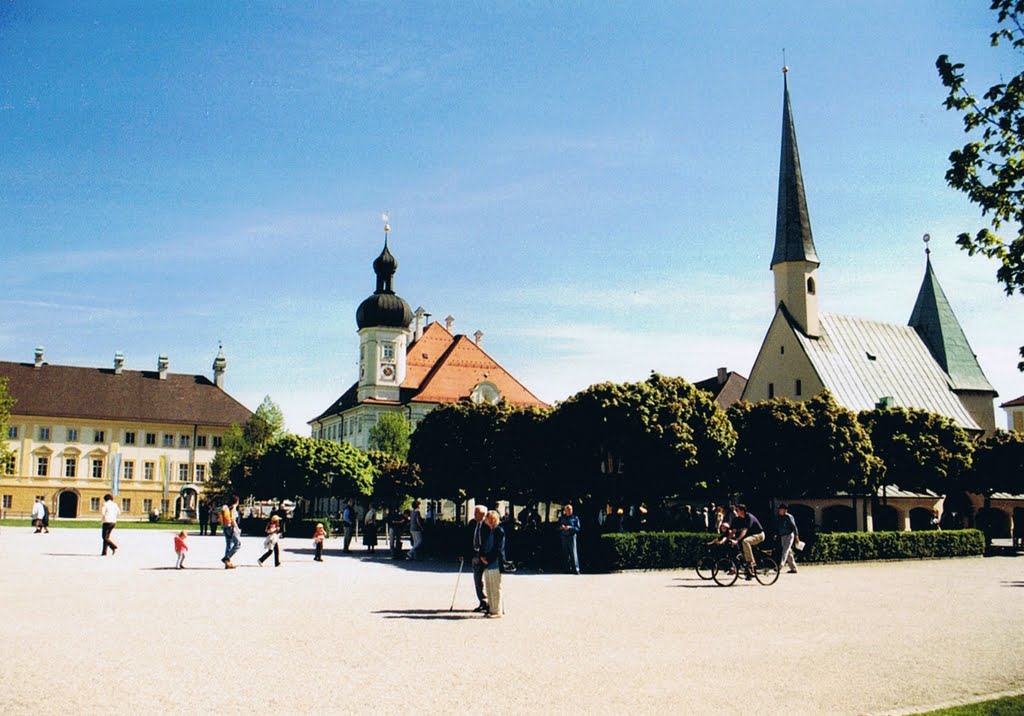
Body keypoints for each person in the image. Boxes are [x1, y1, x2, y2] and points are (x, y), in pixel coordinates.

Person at [479, 510, 505, 618]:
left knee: (495, 588)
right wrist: (482, 556)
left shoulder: (499, 530)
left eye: (487, 517)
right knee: (489, 587)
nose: (485, 519)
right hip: (488, 564)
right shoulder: (490, 530)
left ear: (492, 519)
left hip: (495, 563)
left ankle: (497, 611)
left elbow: (498, 549)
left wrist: (488, 559)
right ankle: (491, 608)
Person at [729, 504, 765, 577]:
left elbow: (745, 530)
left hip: (759, 535)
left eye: (737, 510)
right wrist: (727, 539)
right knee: (742, 547)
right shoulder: (738, 519)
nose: (735, 511)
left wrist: (737, 540)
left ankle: (752, 562)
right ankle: (748, 571)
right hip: (751, 536)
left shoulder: (749, 517)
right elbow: (733, 531)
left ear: (742, 511)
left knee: (745, 541)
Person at [469, 504, 490, 613]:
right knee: (477, 581)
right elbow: (467, 538)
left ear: (482, 514)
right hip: (475, 555)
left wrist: (485, 555)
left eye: (476, 513)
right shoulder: (472, 523)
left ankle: (491, 603)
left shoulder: (488, 525)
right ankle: (482, 602)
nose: (474, 515)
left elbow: (488, 542)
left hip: (486, 557)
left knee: (489, 581)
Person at [776, 503, 800, 574]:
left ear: (784, 510)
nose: (779, 510)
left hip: (789, 535)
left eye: (780, 509)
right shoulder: (779, 517)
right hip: (782, 536)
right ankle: (793, 568)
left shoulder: (789, 517)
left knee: (785, 550)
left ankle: (780, 565)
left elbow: (794, 527)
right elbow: (778, 526)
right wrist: (777, 534)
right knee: (788, 552)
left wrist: (796, 536)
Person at [558, 504, 581, 574]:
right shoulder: (562, 518)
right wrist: (561, 527)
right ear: (565, 511)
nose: (569, 511)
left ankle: (576, 569)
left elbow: (578, 528)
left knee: (573, 553)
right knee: (565, 553)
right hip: (564, 536)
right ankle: (567, 569)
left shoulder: (575, 518)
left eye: (570, 509)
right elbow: (557, 527)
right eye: (567, 510)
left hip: (572, 537)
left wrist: (570, 527)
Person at [219, 495, 242, 569]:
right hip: (231, 528)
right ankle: (226, 558)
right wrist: (237, 529)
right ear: (237, 501)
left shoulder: (227, 508)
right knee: (238, 544)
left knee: (229, 544)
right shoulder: (233, 508)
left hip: (225, 527)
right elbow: (233, 519)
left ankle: (227, 564)